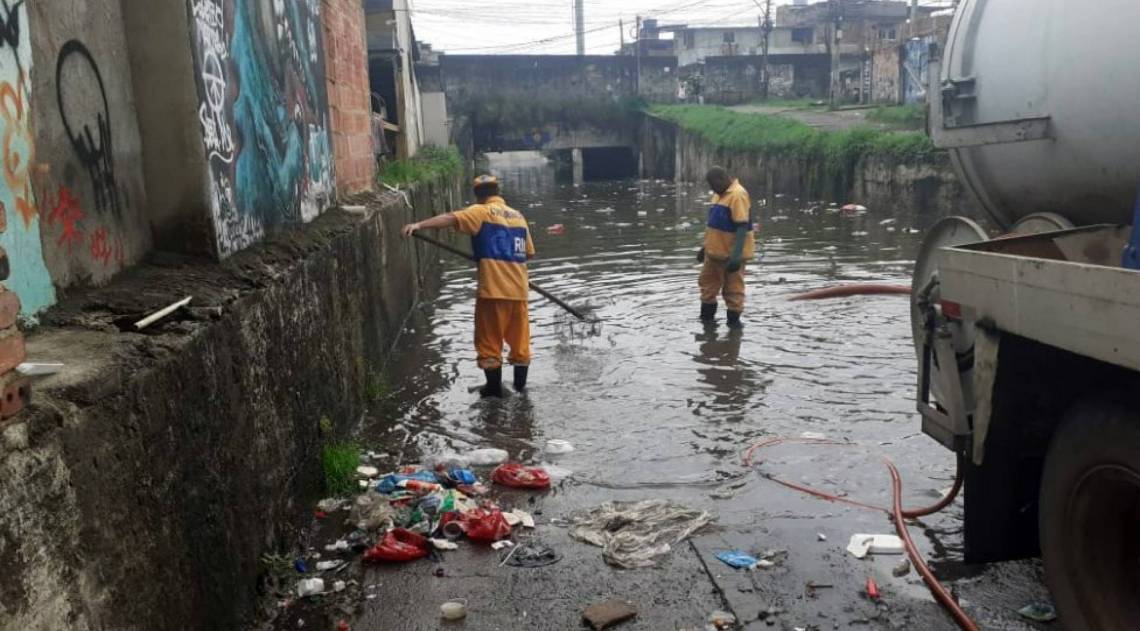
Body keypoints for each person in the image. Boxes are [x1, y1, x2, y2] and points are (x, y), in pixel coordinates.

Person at [401, 175, 535, 397]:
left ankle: (493, 391)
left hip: (494, 291)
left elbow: (450, 219)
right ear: (497, 191)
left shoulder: (480, 211)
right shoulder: (518, 216)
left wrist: (418, 225)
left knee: (489, 342)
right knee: (520, 341)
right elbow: (527, 253)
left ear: (478, 195)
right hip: (519, 291)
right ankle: (521, 390)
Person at [697, 166, 755, 329]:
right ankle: (707, 325)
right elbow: (714, 225)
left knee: (733, 291)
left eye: (713, 185)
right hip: (713, 254)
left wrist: (736, 256)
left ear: (722, 179)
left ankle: (734, 326)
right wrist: (704, 248)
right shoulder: (718, 195)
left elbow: (742, 226)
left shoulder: (738, 195)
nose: (712, 189)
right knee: (707, 287)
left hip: (730, 256)